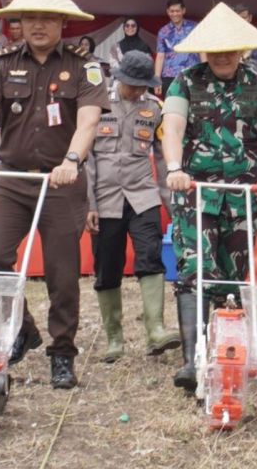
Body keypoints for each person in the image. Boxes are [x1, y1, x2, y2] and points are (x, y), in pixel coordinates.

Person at [0, 0, 110, 389]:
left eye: (48, 19)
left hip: (61, 182)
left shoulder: (85, 68)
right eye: (30, 19)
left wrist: (72, 160)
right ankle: (23, 327)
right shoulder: (0, 65)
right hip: (11, 178)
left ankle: (62, 353)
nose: (39, 26)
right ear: (19, 24)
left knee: (62, 275)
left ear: (64, 24)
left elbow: (89, 121)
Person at [160, 3, 257, 392]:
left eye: (230, 48)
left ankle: (224, 350)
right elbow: (174, 125)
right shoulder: (184, 82)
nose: (223, 56)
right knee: (196, 268)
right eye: (215, 49)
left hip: (244, 194)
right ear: (203, 51)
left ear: (243, 50)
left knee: (232, 275)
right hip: (195, 191)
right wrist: (174, 168)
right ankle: (190, 360)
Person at [83, 51, 179, 362]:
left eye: (143, 85)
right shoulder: (96, 103)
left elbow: (164, 159)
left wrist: (173, 204)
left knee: (151, 257)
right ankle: (115, 339)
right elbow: (88, 159)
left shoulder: (154, 109)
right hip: (106, 199)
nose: (138, 91)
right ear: (119, 78)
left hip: (143, 196)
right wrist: (90, 204)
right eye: (133, 85)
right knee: (107, 268)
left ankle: (156, 331)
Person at [155, 0, 198, 95]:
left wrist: (206, 72)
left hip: (192, 74)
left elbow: (202, 51)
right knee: (172, 107)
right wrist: (157, 79)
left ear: (183, 10)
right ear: (167, 12)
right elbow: (160, 56)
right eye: (172, 11)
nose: (175, 14)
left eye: (177, 11)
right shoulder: (163, 31)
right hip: (170, 76)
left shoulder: (194, 27)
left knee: (194, 106)